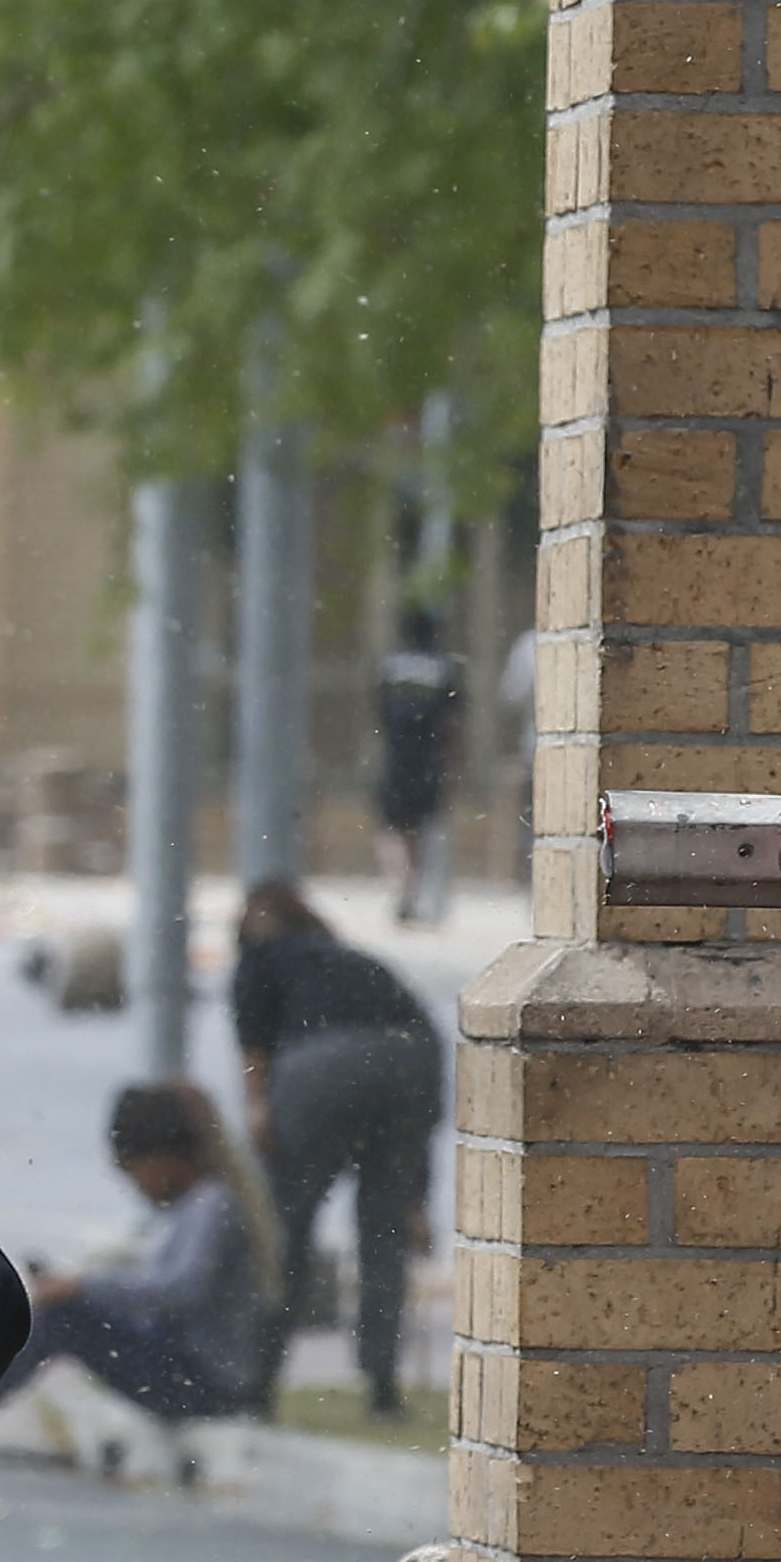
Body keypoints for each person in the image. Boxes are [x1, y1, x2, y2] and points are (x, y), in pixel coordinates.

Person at [235, 879, 447, 1418]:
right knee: (385, 1231)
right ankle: (381, 1390)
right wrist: (417, 1199)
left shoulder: (258, 959)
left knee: (286, 1230)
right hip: (412, 1055)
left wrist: (259, 1108)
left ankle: (256, 1385)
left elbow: (253, 1049)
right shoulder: (353, 960)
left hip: (321, 1070)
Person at [10, 1080, 276, 1464]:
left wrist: (82, 1287)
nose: (135, 1186)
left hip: (206, 1382)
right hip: (197, 1371)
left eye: (134, 1172)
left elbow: (180, 1290)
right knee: (71, 1308)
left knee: (62, 1318)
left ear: (163, 1159)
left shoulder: (212, 1204)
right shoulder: (203, 1203)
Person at [377, 608, 466, 927]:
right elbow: (453, 721)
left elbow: (378, 712)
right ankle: (414, 888)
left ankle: (400, 885)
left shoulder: (390, 667)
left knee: (393, 826)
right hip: (429, 757)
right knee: (424, 827)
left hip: (395, 755)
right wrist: (453, 762)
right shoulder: (444, 668)